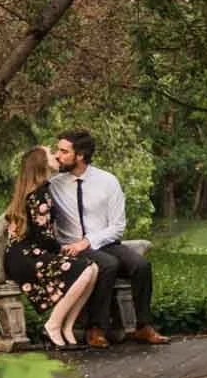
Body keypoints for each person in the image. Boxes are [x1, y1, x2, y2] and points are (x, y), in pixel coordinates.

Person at [45, 128, 168, 346]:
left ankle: (143, 327)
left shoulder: (108, 181)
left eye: (64, 151)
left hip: (104, 243)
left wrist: (89, 241)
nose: (58, 155)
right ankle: (96, 328)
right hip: (71, 247)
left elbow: (118, 226)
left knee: (141, 266)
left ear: (80, 155)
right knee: (108, 265)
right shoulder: (54, 185)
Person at [1, 146, 101, 348]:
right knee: (85, 270)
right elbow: (42, 235)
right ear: (41, 163)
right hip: (25, 257)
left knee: (93, 268)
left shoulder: (40, 190)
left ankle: (66, 327)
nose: (56, 156)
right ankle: (52, 325)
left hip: (29, 253)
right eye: (50, 154)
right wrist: (61, 249)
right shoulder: (38, 194)